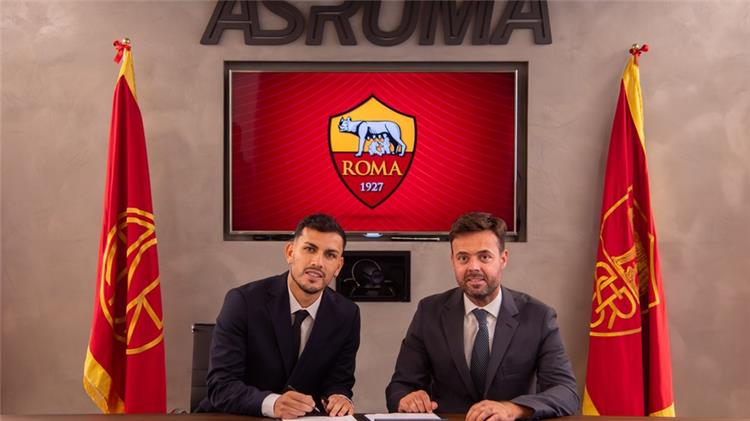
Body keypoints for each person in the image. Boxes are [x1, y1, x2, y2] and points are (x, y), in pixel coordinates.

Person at [386, 212, 579, 421]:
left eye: (484, 257)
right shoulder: (429, 312)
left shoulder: (538, 317)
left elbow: (566, 392)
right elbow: (400, 386)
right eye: (463, 258)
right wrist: (407, 399)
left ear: (503, 259)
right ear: (452, 261)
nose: (473, 267)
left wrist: (513, 409)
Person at [199, 214, 360, 418]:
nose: (318, 262)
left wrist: (340, 397)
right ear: (290, 252)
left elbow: (339, 381)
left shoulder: (347, 314)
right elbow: (221, 386)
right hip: (236, 416)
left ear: (338, 266)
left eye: (330, 255)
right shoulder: (243, 302)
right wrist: (273, 403)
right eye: (310, 249)